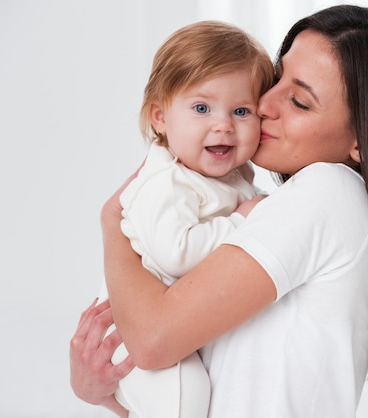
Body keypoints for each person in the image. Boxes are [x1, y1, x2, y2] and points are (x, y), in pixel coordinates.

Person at [70, 5, 368, 417]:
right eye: (276, 78)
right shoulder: (280, 205)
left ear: (362, 140)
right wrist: (104, 392)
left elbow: (151, 341)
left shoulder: (329, 191)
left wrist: (114, 221)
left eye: (298, 101)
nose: (263, 104)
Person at [94, 20, 274, 418]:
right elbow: (176, 253)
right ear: (160, 117)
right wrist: (241, 223)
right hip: (132, 326)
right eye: (201, 108)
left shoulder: (236, 178)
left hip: (177, 320)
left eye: (241, 110)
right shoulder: (166, 181)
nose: (223, 124)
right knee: (185, 395)